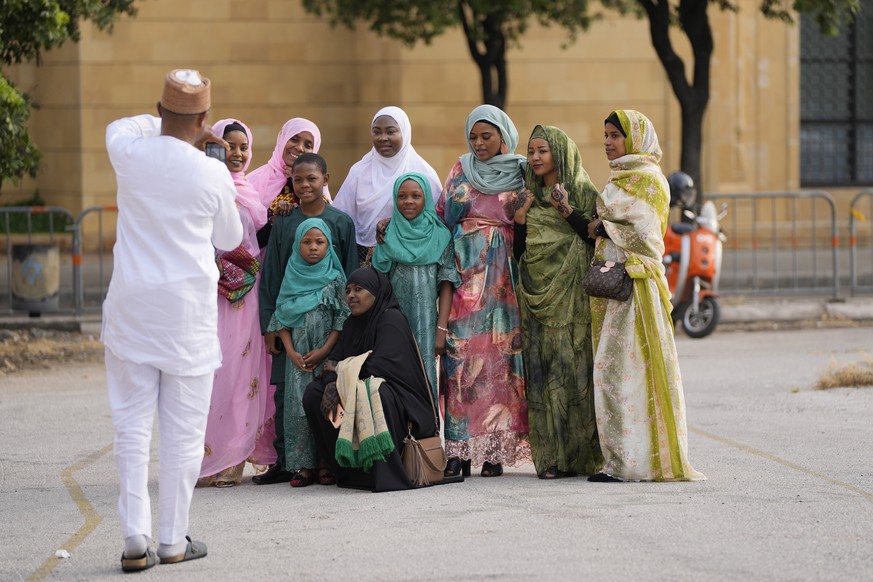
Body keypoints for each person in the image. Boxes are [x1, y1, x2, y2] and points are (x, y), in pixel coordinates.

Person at [103, 69, 242, 571]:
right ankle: (171, 541)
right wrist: (210, 149)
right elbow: (228, 238)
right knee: (182, 435)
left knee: (131, 427)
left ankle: (134, 538)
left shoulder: (130, 151)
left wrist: (167, 122)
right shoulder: (211, 174)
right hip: (187, 317)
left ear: (159, 112)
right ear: (206, 119)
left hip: (132, 312)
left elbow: (122, 126)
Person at [586, 109, 705, 483]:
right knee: (609, 373)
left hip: (637, 288)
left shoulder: (650, 180)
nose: (607, 142)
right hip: (611, 288)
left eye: (614, 136)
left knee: (630, 373)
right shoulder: (618, 178)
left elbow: (645, 232)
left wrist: (603, 225)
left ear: (634, 138)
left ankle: (634, 462)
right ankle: (618, 459)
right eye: (605, 135)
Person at [436, 104, 530, 478]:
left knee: (500, 361)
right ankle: (457, 452)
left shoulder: (521, 171)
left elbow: (530, 223)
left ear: (504, 137)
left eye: (486, 136)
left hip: (505, 276)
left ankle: (493, 453)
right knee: (461, 358)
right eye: (473, 136)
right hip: (464, 269)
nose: (478, 143)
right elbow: (443, 213)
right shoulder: (460, 168)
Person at [254, 152, 357, 485]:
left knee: (329, 391)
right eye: (298, 180)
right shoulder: (284, 222)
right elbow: (272, 277)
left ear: (325, 180)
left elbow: (350, 276)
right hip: (292, 325)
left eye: (312, 178)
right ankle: (292, 462)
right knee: (288, 393)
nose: (305, 185)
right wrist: (270, 327)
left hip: (330, 325)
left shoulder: (341, 222)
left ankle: (329, 461)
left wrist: (349, 328)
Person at [514, 125, 604, 479]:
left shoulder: (581, 189)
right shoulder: (526, 193)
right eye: (531, 151)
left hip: (573, 297)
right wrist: (520, 218)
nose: (535, 158)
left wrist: (567, 210)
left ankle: (581, 456)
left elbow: (595, 236)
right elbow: (519, 252)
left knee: (573, 369)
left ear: (560, 154)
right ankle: (550, 458)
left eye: (543, 151)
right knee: (542, 372)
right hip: (536, 297)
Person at [302, 268, 442, 492]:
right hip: (359, 388)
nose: (351, 296)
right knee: (314, 393)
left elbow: (381, 365)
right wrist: (330, 382)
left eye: (359, 289)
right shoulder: (350, 325)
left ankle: (382, 470)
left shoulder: (391, 319)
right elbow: (332, 362)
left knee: (375, 391)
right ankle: (346, 467)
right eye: (347, 291)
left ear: (376, 292)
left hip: (400, 402)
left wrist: (340, 369)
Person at [197, 119, 275, 489]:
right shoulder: (203, 187)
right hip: (209, 294)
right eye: (230, 146)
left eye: (244, 147)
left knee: (242, 377)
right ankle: (208, 460)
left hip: (246, 296)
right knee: (212, 377)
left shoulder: (251, 192)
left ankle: (235, 460)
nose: (239, 153)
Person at [266, 218, 350, 487]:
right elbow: (282, 319)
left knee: (326, 405)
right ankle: (303, 465)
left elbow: (341, 318)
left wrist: (326, 349)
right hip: (298, 359)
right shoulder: (291, 275)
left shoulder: (336, 278)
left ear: (328, 246)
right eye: (307, 242)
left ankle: (326, 462)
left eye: (319, 242)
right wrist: (290, 352)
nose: (313, 247)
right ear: (297, 245)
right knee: (299, 408)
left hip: (326, 356)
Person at [371, 172, 459, 403]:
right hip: (393, 324)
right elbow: (379, 286)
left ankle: (427, 435)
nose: (408, 201)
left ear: (426, 199)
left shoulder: (440, 235)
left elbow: (447, 283)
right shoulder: (387, 235)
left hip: (427, 324)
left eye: (416, 196)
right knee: (394, 380)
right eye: (402, 196)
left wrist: (441, 330)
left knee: (425, 378)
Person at [333, 106, 443, 267]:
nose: (383, 138)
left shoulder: (423, 173)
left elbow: (437, 219)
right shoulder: (358, 172)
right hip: (362, 261)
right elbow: (340, 218)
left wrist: (395, 222)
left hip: (409, 261)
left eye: (391, 132)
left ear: (404, 133)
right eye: (377, 132)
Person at [247, 117, 329, 222]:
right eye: (294, 139)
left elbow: (325, 223)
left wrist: (296, 180)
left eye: (308, 145)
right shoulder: (253, 180)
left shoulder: (318, 185)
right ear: (283, 139)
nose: (299, 148)